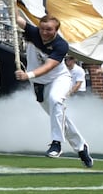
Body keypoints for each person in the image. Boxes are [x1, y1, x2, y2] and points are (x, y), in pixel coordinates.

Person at [16, 15, 94, 168]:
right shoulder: (33, 32)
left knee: (55, 100)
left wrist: (28, 75)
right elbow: (16, 17)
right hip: (38, 84)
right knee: (58, 116)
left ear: (56, 30)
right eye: (42, 29)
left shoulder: (61, 45)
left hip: (59, 79)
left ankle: (56, 143)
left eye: (49, 30)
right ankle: (81, 147)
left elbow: (48, 67)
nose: (44, 33)